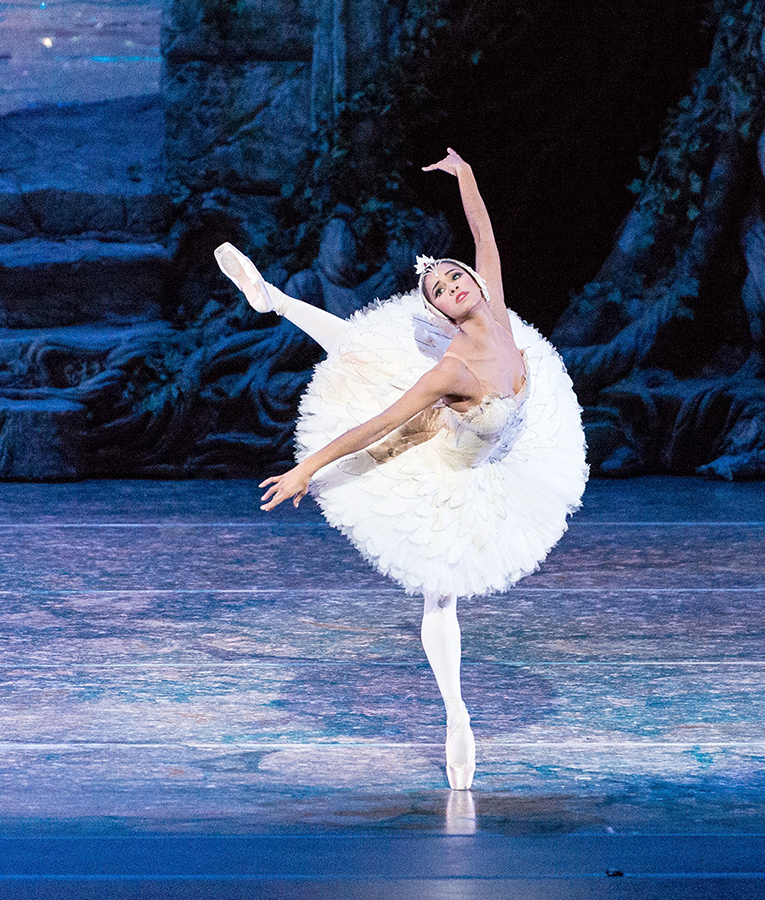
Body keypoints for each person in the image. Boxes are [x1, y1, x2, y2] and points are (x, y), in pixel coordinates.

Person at [213, 148, 588, 791]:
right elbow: (378, 424)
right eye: (439, 289)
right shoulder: (452, 369)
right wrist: (306, 468)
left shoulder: (496, 311)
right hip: (443, 464)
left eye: (454, 277)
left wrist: (467, 174)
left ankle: (273, 298)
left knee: (368, 354)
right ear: (439, 313)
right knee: (437, 586)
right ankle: (455, 716)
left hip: (502, 456)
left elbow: (484, 233)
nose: (452, 285)